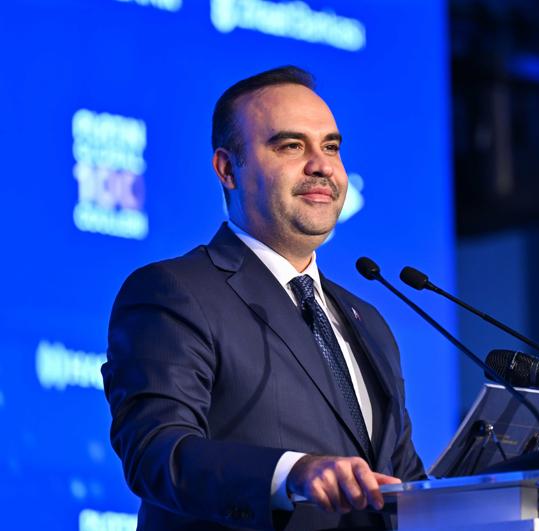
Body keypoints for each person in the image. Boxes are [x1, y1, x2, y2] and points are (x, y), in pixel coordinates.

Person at [102, 65, 426, 531]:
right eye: (291, 146)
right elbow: (157, 452)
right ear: (227, 169)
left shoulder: (368, 321)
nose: (322, 165)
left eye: (331, 146)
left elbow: (403, 482)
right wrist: (292, 473)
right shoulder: (174, 292)